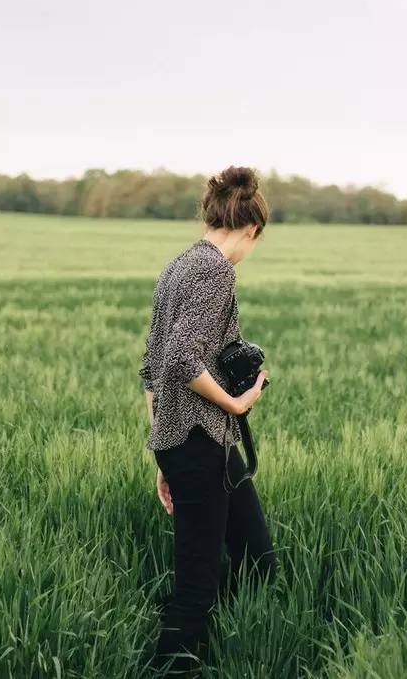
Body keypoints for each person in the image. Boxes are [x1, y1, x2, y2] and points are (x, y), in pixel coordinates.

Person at [139, 165, 277, 675]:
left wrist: (163, 449)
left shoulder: (177, 266)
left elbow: (151, 367)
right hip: (200, 445)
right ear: (250, 229)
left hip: (195, 444)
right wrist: (237, 404)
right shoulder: (216, 269)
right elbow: (178, 359)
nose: (249, 251)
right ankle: (174, 667)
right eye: (254, 242)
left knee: (257, 560)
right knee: (196, 586)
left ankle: (242, 642)